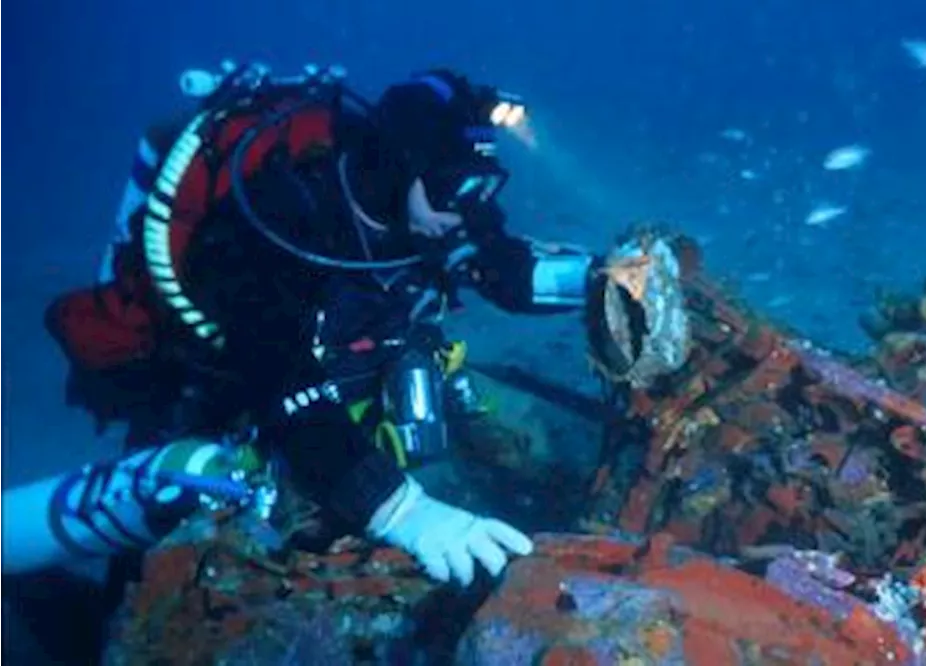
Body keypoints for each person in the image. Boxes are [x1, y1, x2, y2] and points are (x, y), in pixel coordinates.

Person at [5, 62, 601, 588]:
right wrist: (403, 512)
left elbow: (500, 265)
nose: (467, 209)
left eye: (481, 187)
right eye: (452, 189)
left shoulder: (440, 210)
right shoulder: (276, 225)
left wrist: (604, 281)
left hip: (343, 400)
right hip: (229, 404)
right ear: (399, 166)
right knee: (185, 517)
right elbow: (281, 381)